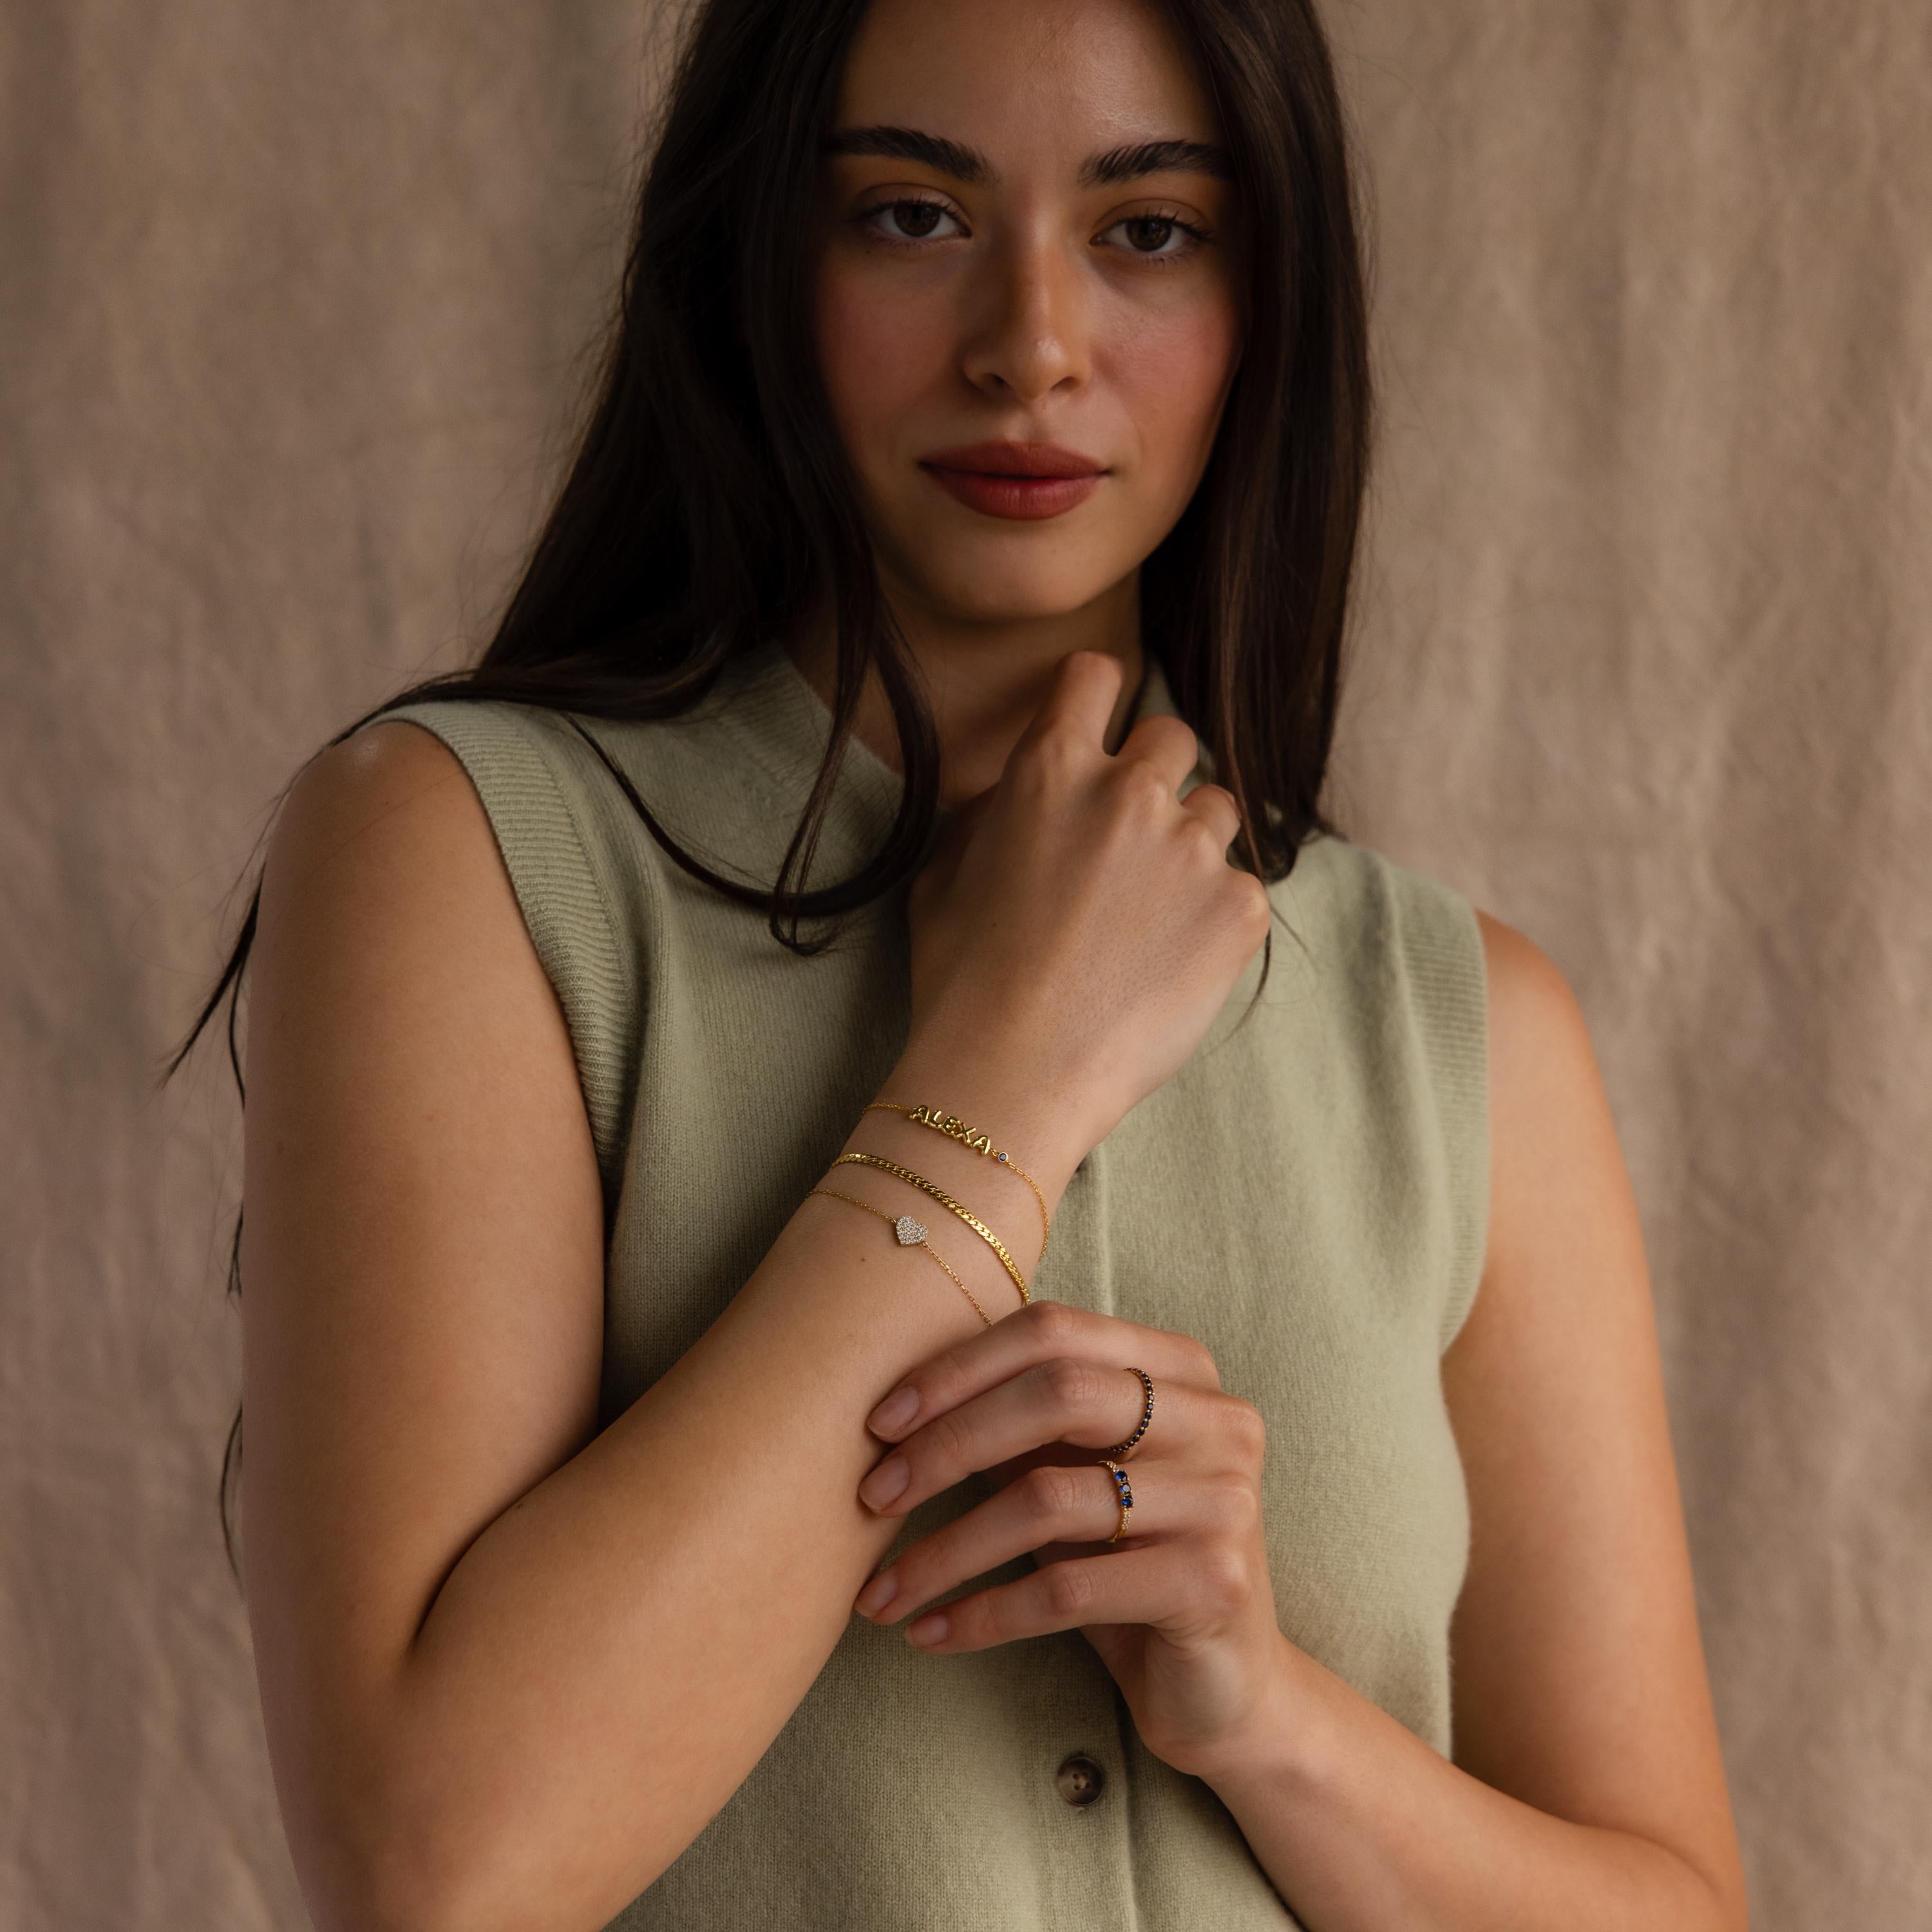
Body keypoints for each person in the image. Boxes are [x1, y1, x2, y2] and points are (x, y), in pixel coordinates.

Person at [173, 0, 1750, 1926]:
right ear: (759, 254)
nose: (1034, 348)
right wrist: (1005, 1085)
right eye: (913, 217)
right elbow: (437, 1868)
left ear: (1273, 302)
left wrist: (1265, 1716)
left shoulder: (1459, 1022)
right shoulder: (466, 857)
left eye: (1148, 230)